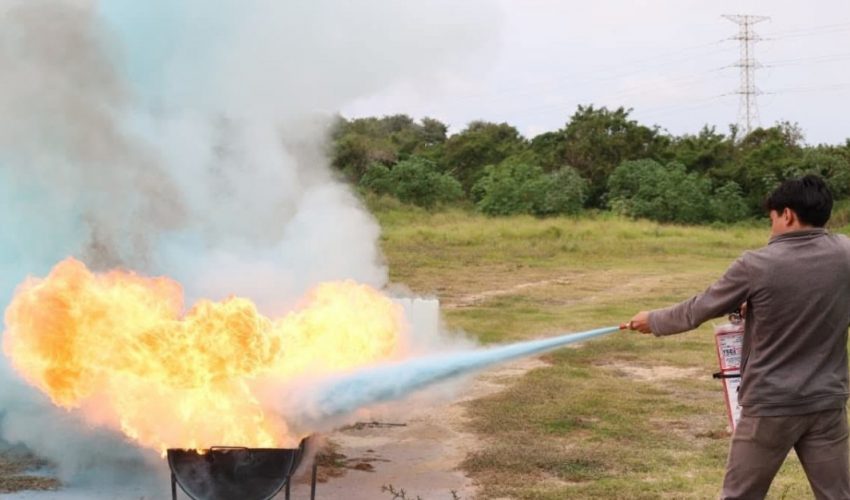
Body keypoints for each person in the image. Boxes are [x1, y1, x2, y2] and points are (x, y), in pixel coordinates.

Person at [625, 174, 850, 500]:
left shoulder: (756, 264)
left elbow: (697, 310)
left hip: (769, 406)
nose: (770, 227)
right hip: (828, 402)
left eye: (771, 218)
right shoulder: (845, 254)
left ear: (786, 215)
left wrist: (653, 320)